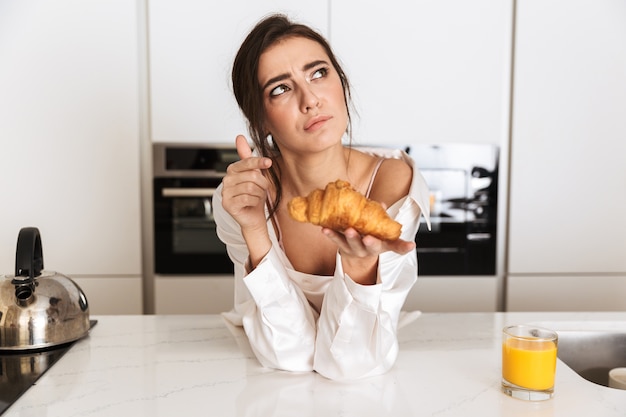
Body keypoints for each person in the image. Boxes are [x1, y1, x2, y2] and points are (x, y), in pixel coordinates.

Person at [213, 13, 431, 381]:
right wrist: (253, 230)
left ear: (341, 84)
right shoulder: (244, 199)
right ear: (260, 118)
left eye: (318, 73)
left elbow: (353, 364)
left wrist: (361, 270)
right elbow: (288, 356)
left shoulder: (393, 186)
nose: (310, 99)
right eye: (280, 89)